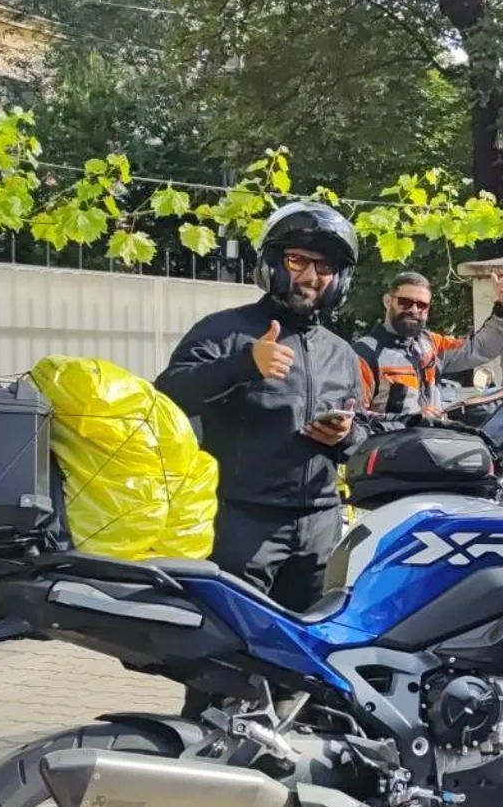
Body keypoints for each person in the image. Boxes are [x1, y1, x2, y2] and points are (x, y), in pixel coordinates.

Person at [156, 202, 368, 613]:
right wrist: (242, 366)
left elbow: (363, 433)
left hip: (320, 528)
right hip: (240, 523)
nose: (310, 277)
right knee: (227, 657)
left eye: (324, 268)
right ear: (273, 263)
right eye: (297, 260)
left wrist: (346, 436)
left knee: (307, 657)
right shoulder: (225, 331)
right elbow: (167, 396)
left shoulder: (342, 354)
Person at [353, 271, 503, 414]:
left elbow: (480, 349)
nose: (414, 310)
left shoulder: (431, 343)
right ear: (388, 302)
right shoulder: (364, 354)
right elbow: (355, 418)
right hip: (390, 447)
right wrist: (412, 419)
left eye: (422, 305)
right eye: (405, 302)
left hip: (433, 439)